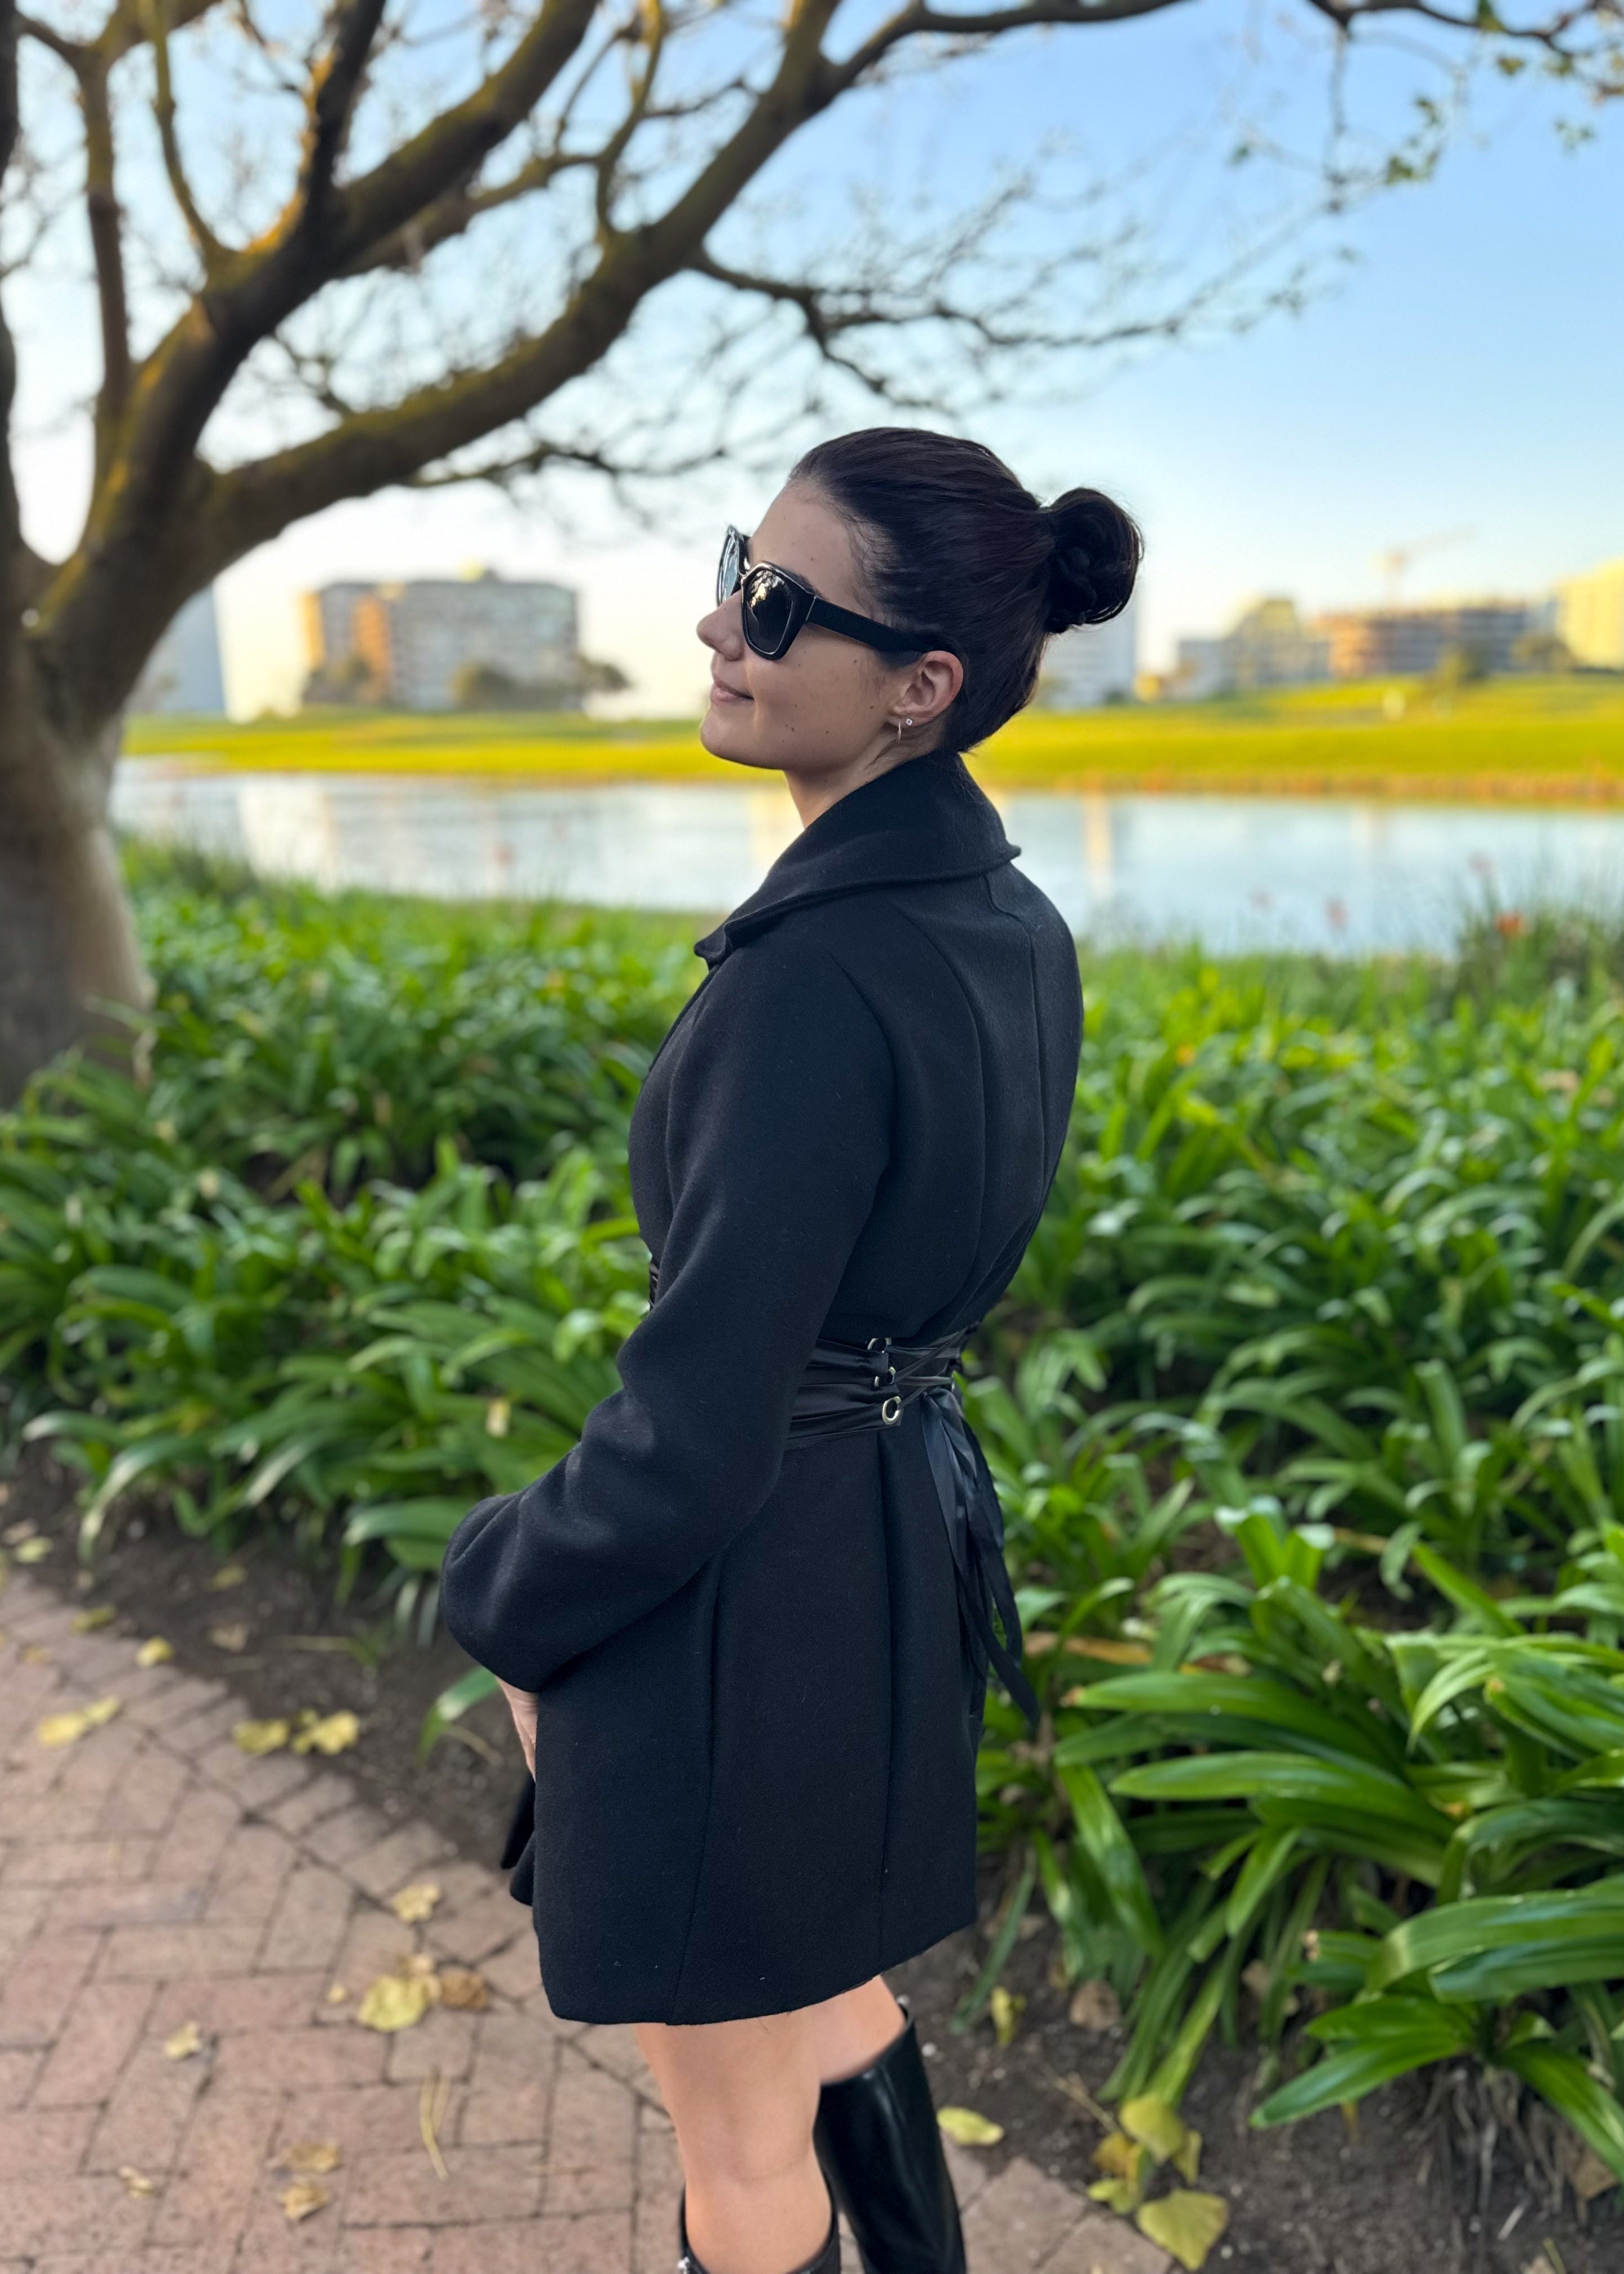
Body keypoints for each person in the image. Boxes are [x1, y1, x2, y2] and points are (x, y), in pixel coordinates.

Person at [440, 426, 1141, 2274]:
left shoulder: (813, 980)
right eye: (736, 569)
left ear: (922, 687)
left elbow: (695, 1434)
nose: (717, 625)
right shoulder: (1013, 929)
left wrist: (507, 1590)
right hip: (894, 1560)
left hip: (747, 1598)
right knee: (826, 2003)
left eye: (775, 604)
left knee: (743, 2148)